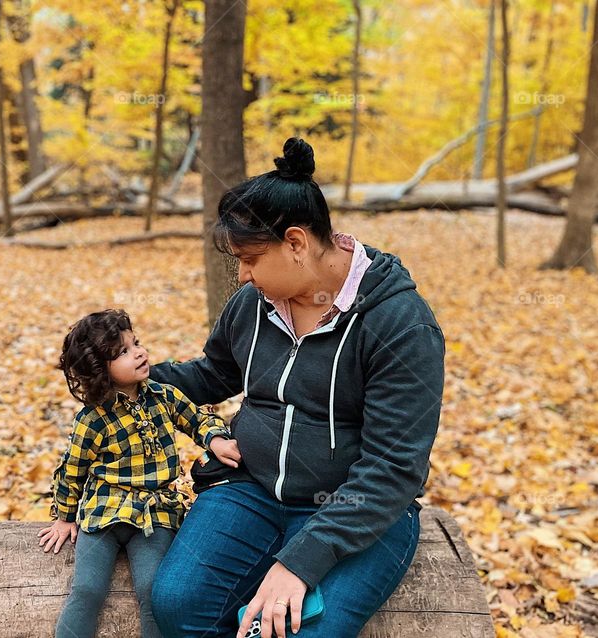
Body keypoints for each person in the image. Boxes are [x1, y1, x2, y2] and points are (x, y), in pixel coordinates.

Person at [149, 137, 446, 638]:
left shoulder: (400, 325)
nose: (242, 275)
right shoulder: (254, 304)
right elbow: (215, 374)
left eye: (249, 259)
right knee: (178, 604)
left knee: (299, 633)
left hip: (356, 511)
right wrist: (129, 379)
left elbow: (394, 468)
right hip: (252, 489)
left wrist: (300, 563)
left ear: (296, 243)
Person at [39, 309, 242, 638]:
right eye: (123, 352)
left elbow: (197, 419)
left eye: (137, 343)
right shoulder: (93, 419)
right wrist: (64, 515)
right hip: (104, 511)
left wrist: (215, 438)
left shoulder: (164, 396)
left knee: (153, 590)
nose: (139, 352)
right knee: (88, 589)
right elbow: (72, 469)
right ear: (99, 369)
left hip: (154, 512)